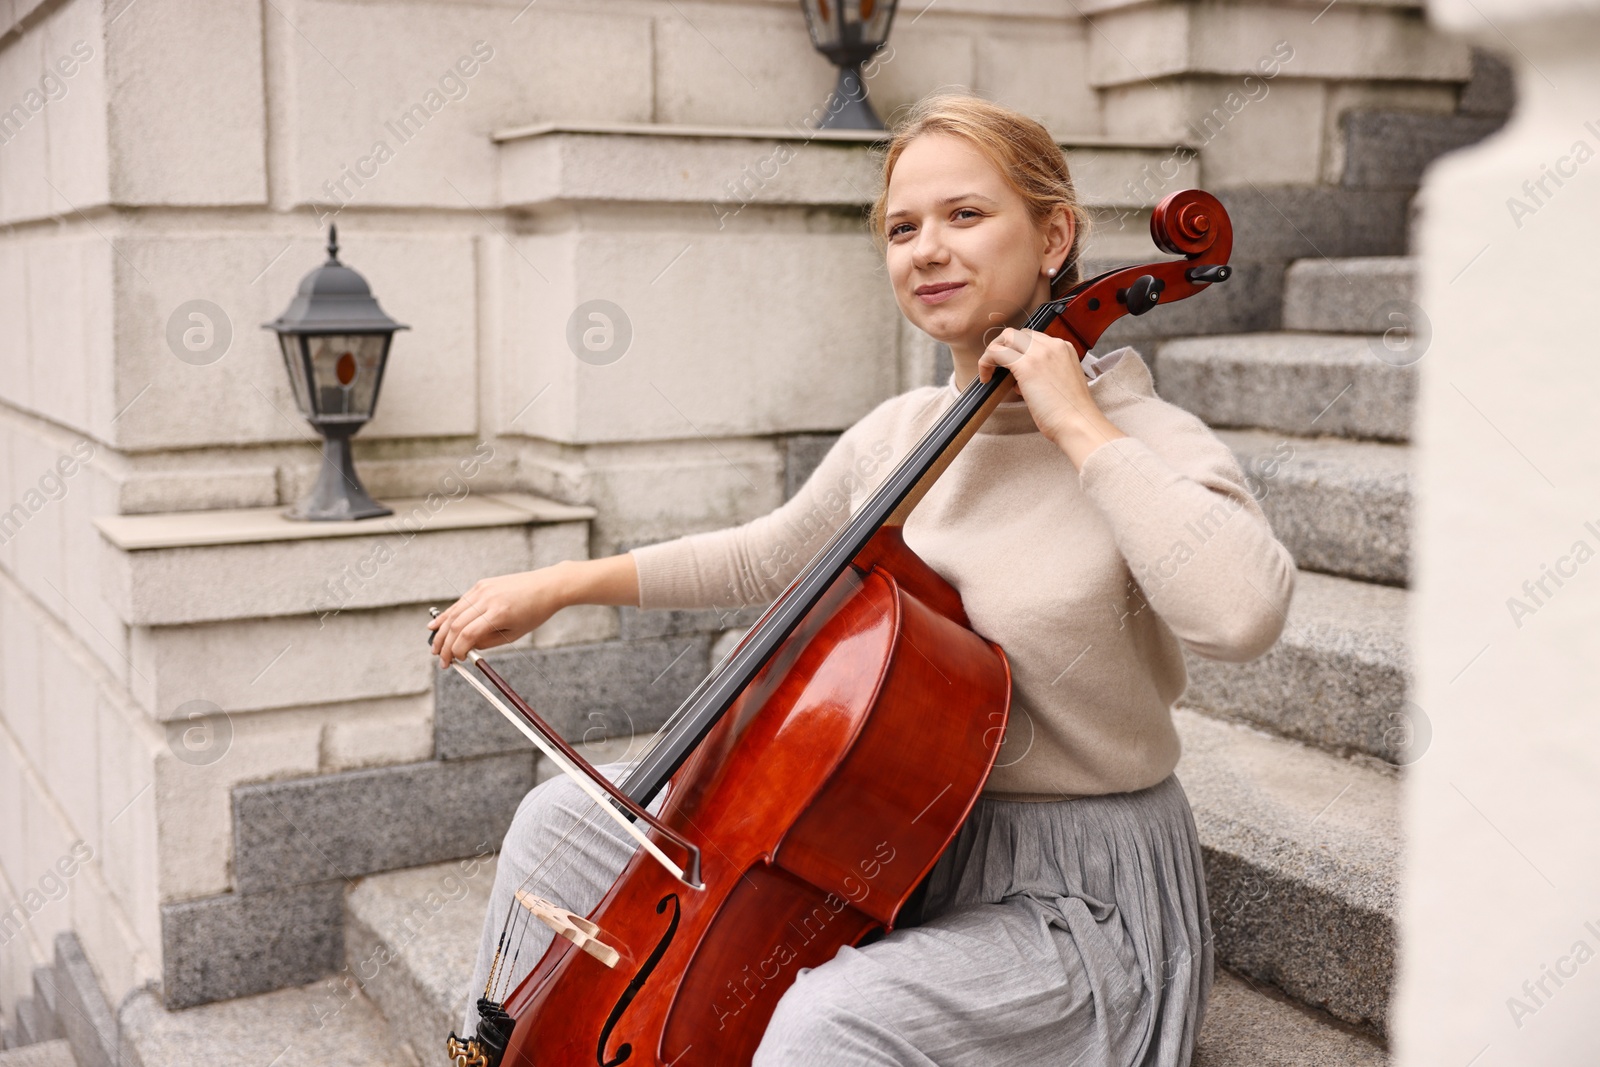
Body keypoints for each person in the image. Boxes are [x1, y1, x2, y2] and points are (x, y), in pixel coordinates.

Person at [428, 92, 1296, 1066]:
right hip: (896, 844)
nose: (927, 248)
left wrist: (1079, 427)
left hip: (1072, 901)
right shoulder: (902, 433)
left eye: (966, 215)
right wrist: (556, 584)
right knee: (559, 821)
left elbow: (1243, 611)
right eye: (902, 227)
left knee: (826, 1020)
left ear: (1054, 235)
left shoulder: (1147, 438)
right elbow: (769, 556)